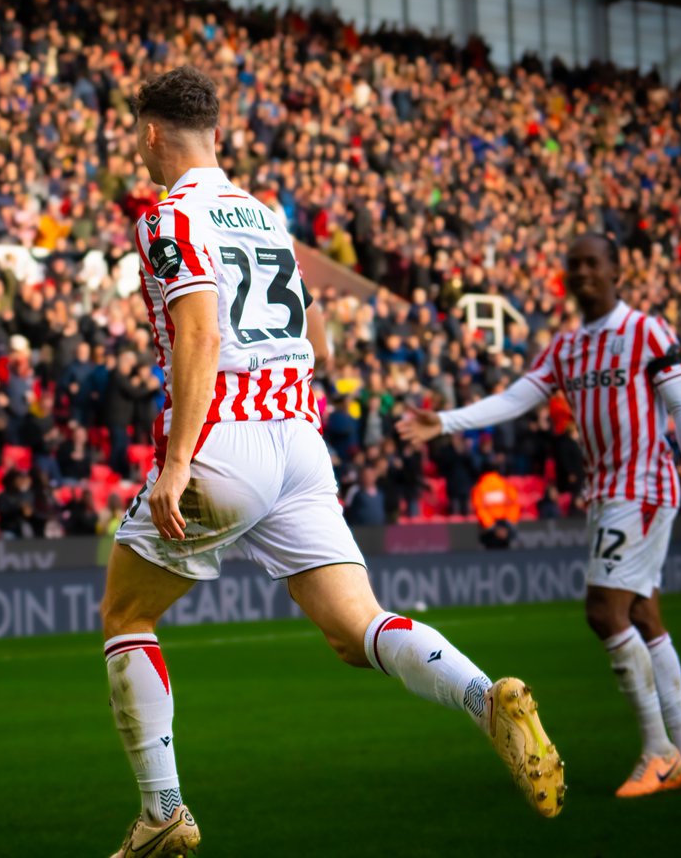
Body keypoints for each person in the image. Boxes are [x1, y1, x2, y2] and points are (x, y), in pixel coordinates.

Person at [100, 67, 564, 858]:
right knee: (357, 630)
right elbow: (314, 336)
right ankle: (487, 698)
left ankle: (164, 812)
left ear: (150, 133)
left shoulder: (170, 218)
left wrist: (179, 462)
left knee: (126, 616)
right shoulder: (269, 218)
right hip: (300, 441)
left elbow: (201, 336)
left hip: (225, 435)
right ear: (217, 131)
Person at [400, 233, 681, 796]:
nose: (583, 273)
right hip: (607, 491)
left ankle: (659, 751)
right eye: (574, 266)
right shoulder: (569, 347)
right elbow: (516, 399)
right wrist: (443, 421)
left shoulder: (645, 331)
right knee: (642, 612)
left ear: (618, 271)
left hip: (643, 486)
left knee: (604, 610)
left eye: (594, 263)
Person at [471, 463, 521, 550]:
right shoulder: (505, 485)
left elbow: (479, 509)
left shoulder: (479, 488)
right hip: (505, 525)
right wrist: (508, 523)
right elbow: (514, 505)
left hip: (489, 529)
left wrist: (492, 526)